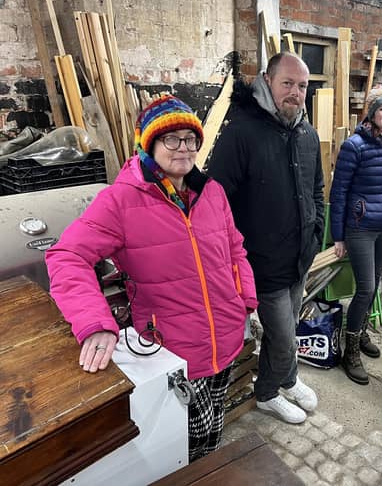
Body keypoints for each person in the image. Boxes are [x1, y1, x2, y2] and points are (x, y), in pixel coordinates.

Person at [46, 95, 257, 462]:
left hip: (225, 338)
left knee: (213, 428)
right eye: (171, 139)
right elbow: (67, 256)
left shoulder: (212, 193)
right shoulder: (120, 201)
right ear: (149, 143)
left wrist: (245, 301)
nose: (184, 148)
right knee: (186, 444)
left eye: (190, 139)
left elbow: (235, 247)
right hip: (173, 350)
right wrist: (95, 323)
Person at [208, 53, 324, 424]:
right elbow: (217, 201)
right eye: (287, 83)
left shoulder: (307, 134)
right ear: (266, 81)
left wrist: (316, 233)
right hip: (262, 261)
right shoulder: (242, 132)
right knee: (283, 334)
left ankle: (287, 379)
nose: (295, 93)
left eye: (302, 86)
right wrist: (231, 258)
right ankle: (267, 393)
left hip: (299, 256)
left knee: (288, 328)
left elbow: (317, 188)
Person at [329, 85, 382, 385]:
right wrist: (338, 236)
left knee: (375, 285)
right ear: (371, 113)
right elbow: (339, 191)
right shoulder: (354, 145)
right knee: (365, 288)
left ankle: (361, 334)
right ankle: (351, 351)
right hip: (360, 227)